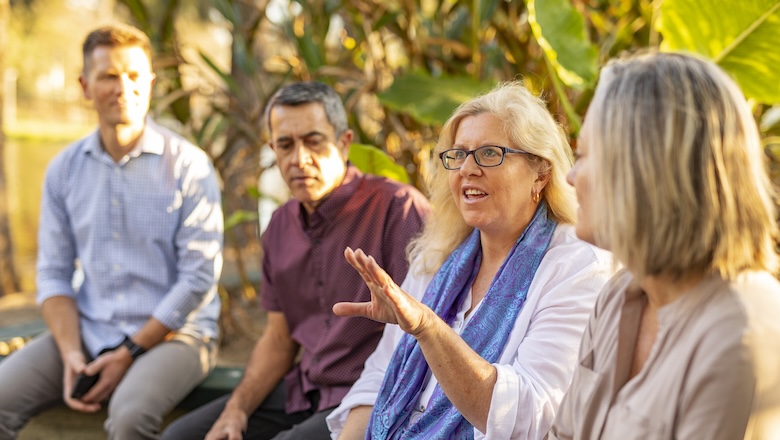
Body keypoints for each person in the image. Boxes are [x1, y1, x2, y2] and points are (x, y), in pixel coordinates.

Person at [327, 81, 613, 439]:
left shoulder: (578, 267)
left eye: (490, 153)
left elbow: (528, 415)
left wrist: (428, 329)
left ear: (540, 172)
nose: (467, 169)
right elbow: (378, 378)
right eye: (459, 155)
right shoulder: (437, 257)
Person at [161, 81, 430, 440]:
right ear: (273, 149)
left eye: (314, 141)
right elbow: (278, 338)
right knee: (181, 436)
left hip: (374, 397)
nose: (299, 159)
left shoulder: (398, 209)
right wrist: (236, 408)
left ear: (344, 142)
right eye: (285, 145)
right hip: (304, 391)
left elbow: (429, 328)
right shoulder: (279, 227)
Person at [0, 24, 223, 439]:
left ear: (150, 84)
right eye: (108, 76)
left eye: (134, 75)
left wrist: (130, 350)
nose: (123, 88)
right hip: (90, 330)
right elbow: (53, 274)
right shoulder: (64, 170)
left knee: (129, 417)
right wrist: (70, 353)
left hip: (178, 336)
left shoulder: (189, 166)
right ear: (85, 86)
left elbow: (197, 279)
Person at [547, 51, 780, 439]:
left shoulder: (738, 336)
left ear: (643, 169)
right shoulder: (618, 296)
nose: (570, 176)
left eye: (584, 154)